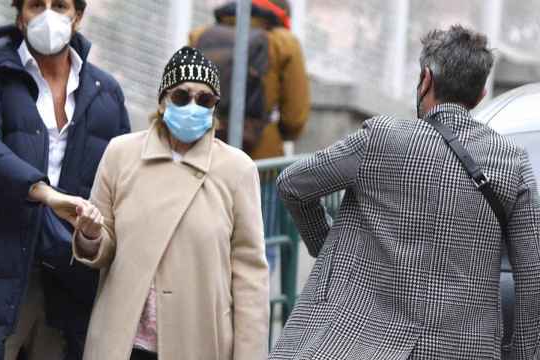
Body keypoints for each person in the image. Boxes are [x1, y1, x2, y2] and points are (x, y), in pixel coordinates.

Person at [270, 25, 540, 359]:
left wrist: (324, 245)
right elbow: (532, 275)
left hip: (360, 343)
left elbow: (292, 184)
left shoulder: (381, 139)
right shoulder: (513, 163)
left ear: (426, 79)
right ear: (481, 94)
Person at [0, 0, 130, 359]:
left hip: (70, 283)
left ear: (78, 16)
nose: (48, 16)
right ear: (19, 15)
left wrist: (92, 235)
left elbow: (120, 188)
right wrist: (44, 193)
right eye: (35, 5)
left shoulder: (105, 92)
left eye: (59, 5)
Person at [70, 46, 270, 360]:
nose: (193, 105)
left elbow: (250, 276)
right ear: (163, 101)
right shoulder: (121, 154)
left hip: (198, 342)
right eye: (182, 96)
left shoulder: (237, 169)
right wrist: (91, 235)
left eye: (205, 99)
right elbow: (104, 244)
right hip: (125, 343)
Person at [191, 0, 310, 273]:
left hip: (203, 154)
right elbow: (295, 118)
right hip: (260, 162)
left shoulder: (201, 35)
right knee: (260, 247)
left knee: (203, 244)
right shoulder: (283, 43)